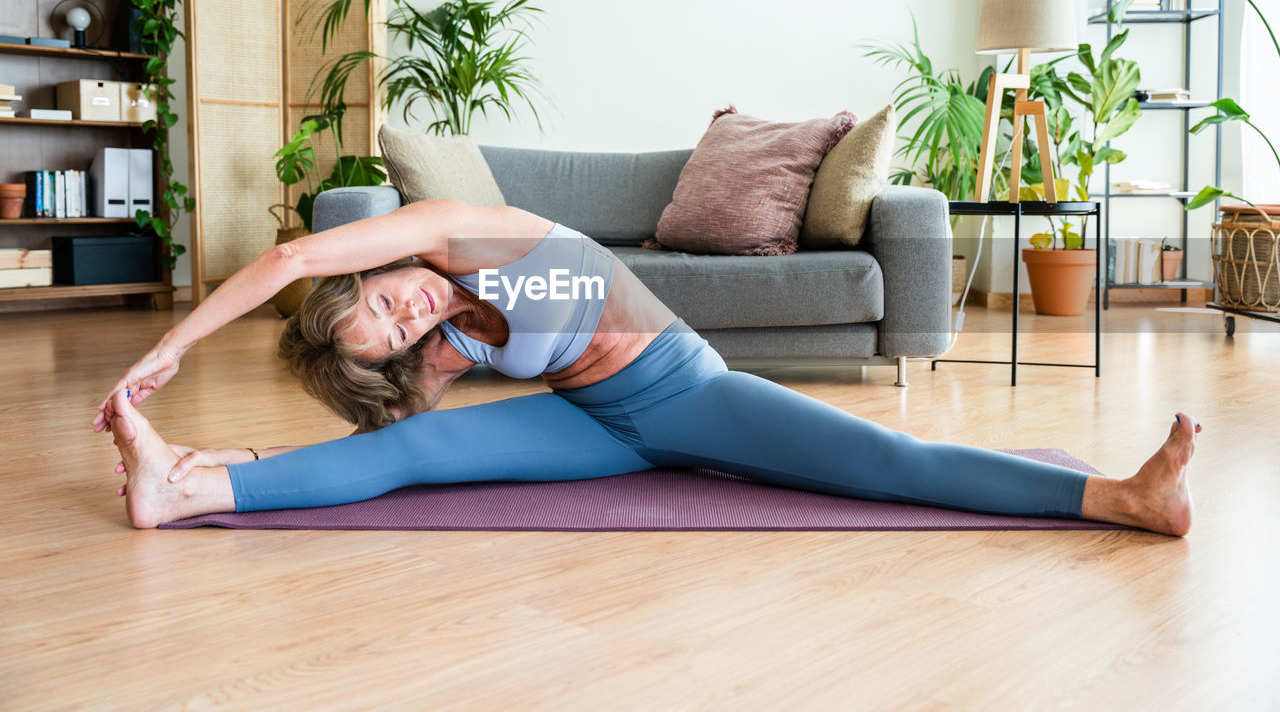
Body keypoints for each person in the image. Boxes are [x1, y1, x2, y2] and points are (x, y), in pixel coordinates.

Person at [94, 199, 1200, 535]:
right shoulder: (440, 340)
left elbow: (290, 254)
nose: (407, 312)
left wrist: (170, 346)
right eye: (389, 335)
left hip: (689, 390)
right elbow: (403, 431)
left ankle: (1114, 495)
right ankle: (188, 485)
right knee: (416, 452)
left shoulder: (452, 232)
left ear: (381, 261)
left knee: (883, 458)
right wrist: (393, 396)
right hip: (593, 420)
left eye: (385, 300)